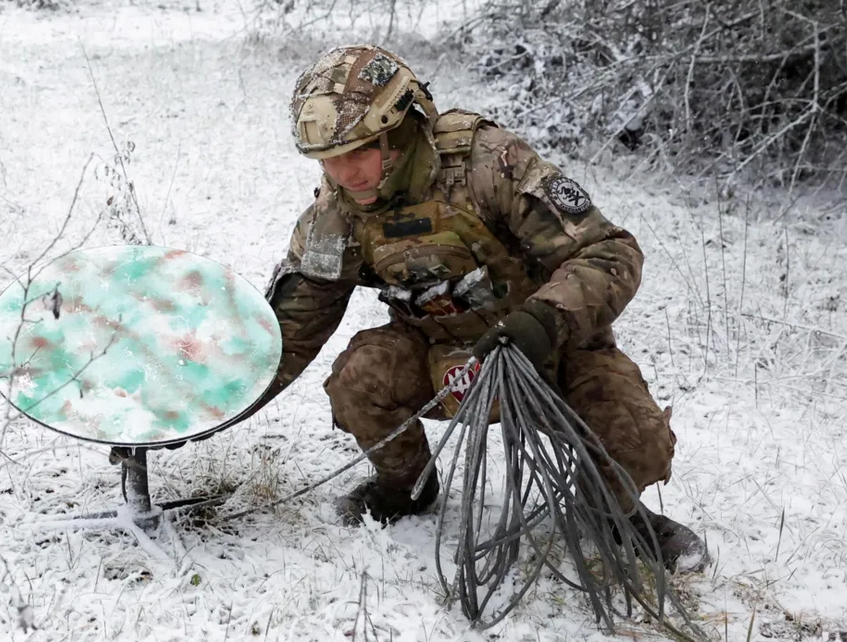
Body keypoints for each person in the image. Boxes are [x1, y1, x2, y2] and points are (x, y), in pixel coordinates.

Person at [255, 44, 709, 572]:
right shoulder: (337, 212)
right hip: (440, 354)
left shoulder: (488, 164)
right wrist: (206, 407)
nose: (343, 173)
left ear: (399, 131)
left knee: (637, 441)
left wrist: (543, 320)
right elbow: (294, 324)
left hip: (550, 347)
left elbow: (610, 252)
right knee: (359, 379)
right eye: (329, 160)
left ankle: (614, 513)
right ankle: (405, 489)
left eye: (358, 152)